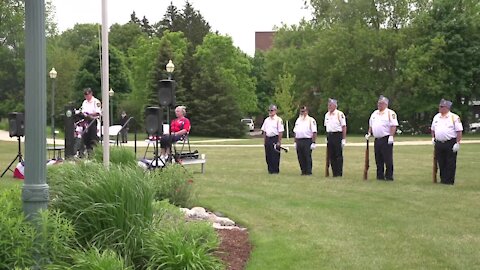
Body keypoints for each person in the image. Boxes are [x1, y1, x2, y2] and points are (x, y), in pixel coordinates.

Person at [365, 95, 399, 181]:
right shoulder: (374, 113)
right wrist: (369, 133)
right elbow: (371, 125)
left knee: (387, 159)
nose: (379, 105)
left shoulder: (390, 113)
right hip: (377, 139)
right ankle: (379, 176)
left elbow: (393, 125)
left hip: (386, 138)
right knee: (378, 158)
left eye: (381, 103)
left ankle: (389, 176)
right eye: (378, 103)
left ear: (386, 104)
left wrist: (391, 136)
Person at [431, 99, 463, 185]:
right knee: (441, 161)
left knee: (450, 162)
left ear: (447, 108)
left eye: (442, 107)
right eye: (440, 106)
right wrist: (433, 138)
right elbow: (433, 129)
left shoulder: (454, 117)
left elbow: (459, 131)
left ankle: (449, 181)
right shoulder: (436, 117)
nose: (440, 108)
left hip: (450, 142)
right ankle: (443, 179)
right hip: (439, 142)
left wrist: (458, 143)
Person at [324, 98, 347, 177]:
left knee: (338, 155)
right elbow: (326, 126)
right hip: (330, 135)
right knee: (331, 155)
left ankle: (339, 173)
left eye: (330, 105)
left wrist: (343, 139)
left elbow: (343, 126)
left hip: (337, 135)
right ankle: (334, 172)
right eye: (328, 105)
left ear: (335, 105)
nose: (329, 106)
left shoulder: (339, 114)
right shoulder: (327, 115)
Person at [293, 106, 317, 175]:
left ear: (307, 112)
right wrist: (295, 141)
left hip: (307, 140)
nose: (302, 113)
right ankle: (303, 171)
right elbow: (296, 131)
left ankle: (308, 171)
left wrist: (313, 142)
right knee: (300, 156)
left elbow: (314, 132)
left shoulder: (311, 120)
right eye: (301, 111)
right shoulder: (298, 120)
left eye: (303, 111)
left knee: (307, 156)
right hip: (299, 140)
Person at [261, 105, 285, 174]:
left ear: (275, 111)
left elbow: (280, 131)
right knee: (268, 155)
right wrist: (265, 141)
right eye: (269, 110)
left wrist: (279, 142)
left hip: (275, 138)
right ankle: (270, 170)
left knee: (275, 155)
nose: (270, 112)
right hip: (268, 138)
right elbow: (264, 131)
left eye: (271, 110)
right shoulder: (266, 120)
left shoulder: (278, 120)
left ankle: (275, 170)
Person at [80, 88, 102, 154]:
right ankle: (88, 152)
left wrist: (89, 114)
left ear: (91, 94)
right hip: (86, 122)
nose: (87, 97)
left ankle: (94, 153)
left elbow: (98, 112)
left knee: (93, 139)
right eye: (85, 95)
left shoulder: (96, 101)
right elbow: (82, 111)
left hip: (93, 121)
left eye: (88, 95)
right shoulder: (84, 102)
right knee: (86, 139)